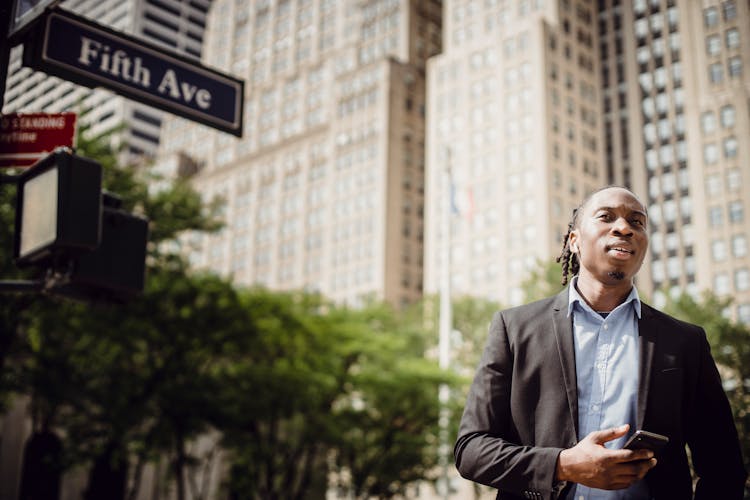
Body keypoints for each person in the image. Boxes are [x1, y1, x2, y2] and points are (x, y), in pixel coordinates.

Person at [454, 186, 746, 499]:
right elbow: (472, 450)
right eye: (606, 217)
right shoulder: (514, 329)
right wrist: (561, 465)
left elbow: (724, 468)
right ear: (574, 241)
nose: (624, 228)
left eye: (637, 222)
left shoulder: (686, 342)